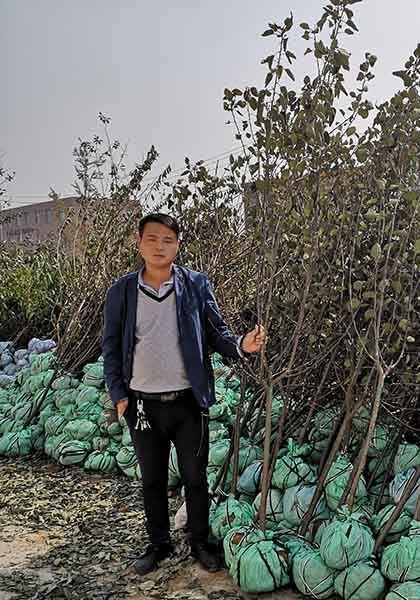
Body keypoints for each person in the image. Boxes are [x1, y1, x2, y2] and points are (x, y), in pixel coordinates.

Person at [101, 212, 265, 575]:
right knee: (153, 478)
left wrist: (243, 345)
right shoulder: (122, 293)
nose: (160, 247)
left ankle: (200, 543)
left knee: (195, 477)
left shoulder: (195, 285)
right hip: (142, 404)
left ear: (178, 245)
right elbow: (111, 347)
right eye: (152, 239)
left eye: (168, 240)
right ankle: (158, 544)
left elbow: (217, 334)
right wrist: (120, 396)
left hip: (189, 402)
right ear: (138, 242)